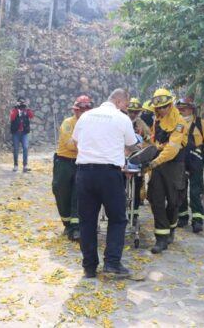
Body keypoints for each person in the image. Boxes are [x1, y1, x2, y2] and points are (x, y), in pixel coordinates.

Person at [73, 88, 139, 278]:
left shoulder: (86, 117)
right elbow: (132, 144)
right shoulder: (121, 118)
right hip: (109, 175)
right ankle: (112, 263)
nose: (126, 109)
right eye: (126, 105)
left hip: (84, 174)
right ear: (119, 101)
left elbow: (76, 142)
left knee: (87, 221)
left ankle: (90, 267)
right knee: (117, 219)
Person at [146, 88, 189, 254]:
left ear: (170, 105)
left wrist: (155, 162)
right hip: (158, 164)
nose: (161, 110)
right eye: (159, 108)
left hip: (174, 164)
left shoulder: (180, 123)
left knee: (173, 201)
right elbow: (154, 140)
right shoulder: (157, 121)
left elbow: (172, 149)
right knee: (155, 199)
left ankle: (171, 227)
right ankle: (161, 238)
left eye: (164, 107)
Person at [52, 95, 93, 242]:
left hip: (81, 162)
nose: (82, 113)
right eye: (80, 110)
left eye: (85, 111)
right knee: (61, 191)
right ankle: (67, 223)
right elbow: (69, 144)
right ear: (75, 111)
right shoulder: (68, 124)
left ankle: (76, 228)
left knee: (78, 194)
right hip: (64, 162)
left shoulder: (92, 125)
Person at [175, 97, 204, 233]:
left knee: (195, 191)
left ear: (191, 109)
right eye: (179, 109)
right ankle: (182, 217)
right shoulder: (176, 124)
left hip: (196, 161)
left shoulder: (201, 124)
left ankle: (198, 220)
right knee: (180, 190)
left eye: (184, 109)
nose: (181, 111)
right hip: (180, 161)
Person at [127, 98, 152, 224]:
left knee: (137, 187)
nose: (132, 114)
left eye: (135, 112)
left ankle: (134, 213)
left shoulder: (141, 124)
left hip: (136, 161)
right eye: (130, 111)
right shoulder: (121, 121)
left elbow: (149, 140)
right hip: (122, 160)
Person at [9, 97, 35, 172]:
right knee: (16, 149)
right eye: (20, 103)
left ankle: (25, 166)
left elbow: (31, 116)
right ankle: (15, 165)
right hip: (16, 133)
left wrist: (27, 107)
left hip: (24, 133)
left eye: (22, 103)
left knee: (26, 148)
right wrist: (16, 108)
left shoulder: (26, 110)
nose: (21, 105)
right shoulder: (15, 110)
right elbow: (12, 118)